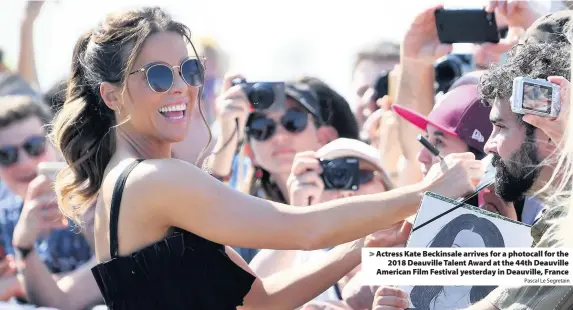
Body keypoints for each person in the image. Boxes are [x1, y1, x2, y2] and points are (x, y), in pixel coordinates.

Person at [49, 7, 481, 309]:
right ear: (110, 95)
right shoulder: (154, 180)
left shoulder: (135, 181)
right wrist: (425, 193)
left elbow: (260, 302)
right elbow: (302, 229)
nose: (181, 87)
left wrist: (360, 248)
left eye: (190, 70)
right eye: (158, 75)